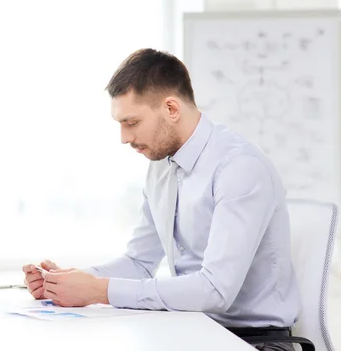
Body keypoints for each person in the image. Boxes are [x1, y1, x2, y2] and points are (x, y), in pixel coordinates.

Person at [23, 48, 301, 351]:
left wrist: (98, 291)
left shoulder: (239, 168)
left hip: (254, 341)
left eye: (132, 123)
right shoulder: (161, 168)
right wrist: (68, 284)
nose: (124, 138)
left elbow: (214, 291)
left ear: (171, 108)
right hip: (191, 328)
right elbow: (139, 262)